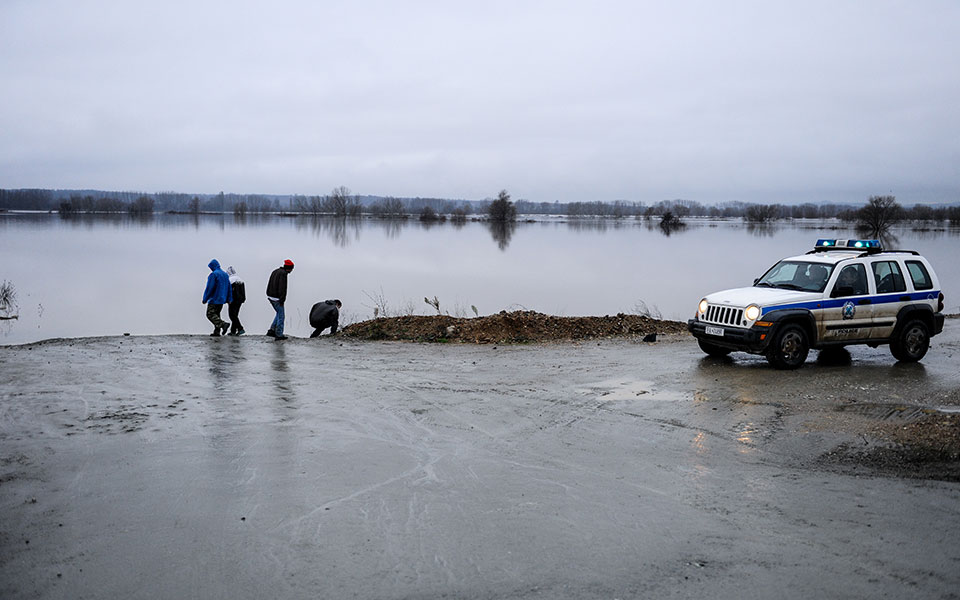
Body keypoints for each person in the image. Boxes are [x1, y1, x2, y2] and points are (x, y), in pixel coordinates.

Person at [202, 259, 232, 336]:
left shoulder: (214, 274)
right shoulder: (225, 275)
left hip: (214, 298)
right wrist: (229, 298)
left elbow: (210, 288)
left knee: (210, 314)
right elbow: (229, 287)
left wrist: (205, 298)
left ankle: (223, 324)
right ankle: (217, 331)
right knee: (217, 314)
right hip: (222, 299)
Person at [266, 259, 294, 340]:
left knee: (278, 313)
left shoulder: (275, 271)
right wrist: (282, 300)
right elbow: (282, 288)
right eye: (291, 269)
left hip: (270, 296)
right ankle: (279, 334)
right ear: (288, 268)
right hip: (277, 298)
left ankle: (271, 330)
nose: (291, 271)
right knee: (281, 316)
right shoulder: (283, 274)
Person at [226, 266, 246, 335]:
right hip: (240, 300)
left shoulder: (230, 280)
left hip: (233, 300)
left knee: (232, 315)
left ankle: (240, 328)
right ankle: (233, 331)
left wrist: (228, 299)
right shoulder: (240, 279)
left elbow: (229, 291)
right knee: (235, 315)